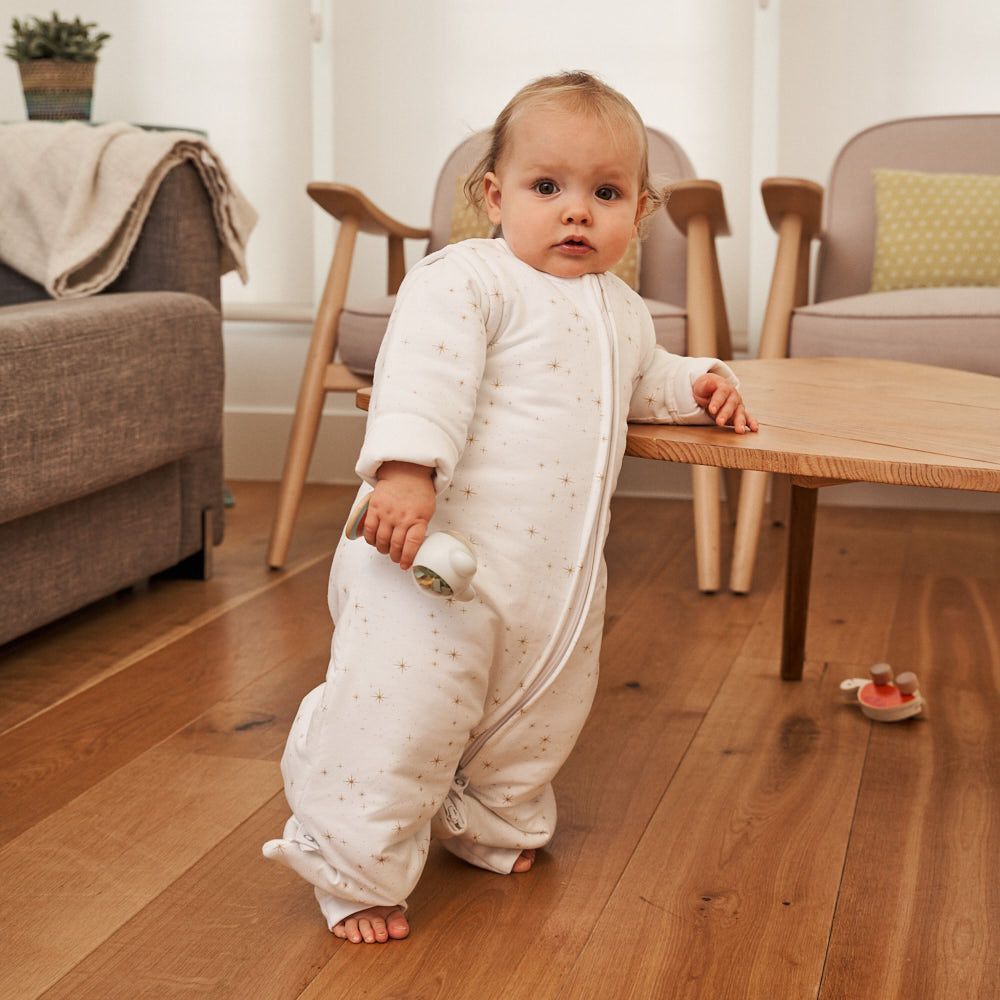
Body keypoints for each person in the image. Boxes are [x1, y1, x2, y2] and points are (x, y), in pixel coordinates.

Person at [263, 70, 757, 945]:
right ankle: (354, 866)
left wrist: (702, 384)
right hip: (429, 556)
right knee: (403, 710)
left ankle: (492, 821)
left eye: (604, 194)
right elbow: (424, 370)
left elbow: (646, 380)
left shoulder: (622, 309)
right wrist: (407, 470)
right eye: (546, 187)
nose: (576, 212)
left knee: (540, 709)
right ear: (495, 196)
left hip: (550, 579)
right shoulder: (467, 280)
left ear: (638, 213)